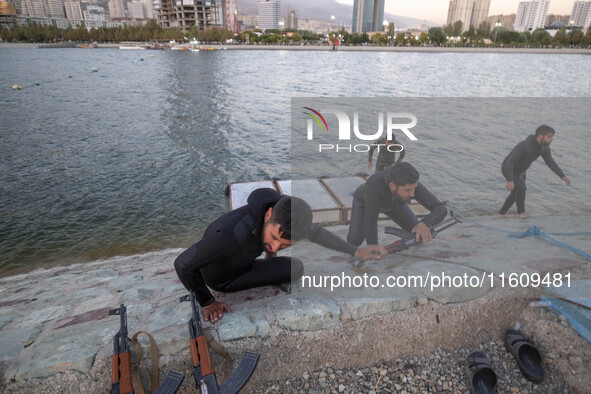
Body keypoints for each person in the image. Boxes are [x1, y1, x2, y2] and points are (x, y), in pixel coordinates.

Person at [174, 188, 386, 323]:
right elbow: (183, 263)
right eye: (274, 237)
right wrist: (207, 301)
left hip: (242, 261)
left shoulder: (283, 211)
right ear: (268, 215)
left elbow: (317, 233)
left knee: (295, 268)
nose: (274, 246)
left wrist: (356, 251)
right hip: (222, 277)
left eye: (284, 245)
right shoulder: (233, 235)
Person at [347, 162, 447, 247]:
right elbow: (371, 220)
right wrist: (374, 248)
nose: (412, 194)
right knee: (354, 241)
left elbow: (440, 208)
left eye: (414, 188)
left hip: (394, 204)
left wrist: (424, 223)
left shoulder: (410, 183)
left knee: (417, 234)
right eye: (408, 190)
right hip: (364, 203)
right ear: (392, 186)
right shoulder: (374, 186)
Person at [499, 125, 571, 219]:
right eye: (549, 137)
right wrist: (510, 179)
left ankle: (502, 213)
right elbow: (510, 161)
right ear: (540, 136)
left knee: (516, 193)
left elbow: (550, 162)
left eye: (552, 137)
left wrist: (562, 176)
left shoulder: (544, 147)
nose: (551, 139)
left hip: (521, 171)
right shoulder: (525, 145)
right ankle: (522, 213)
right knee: (521, 187)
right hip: (509, 168)